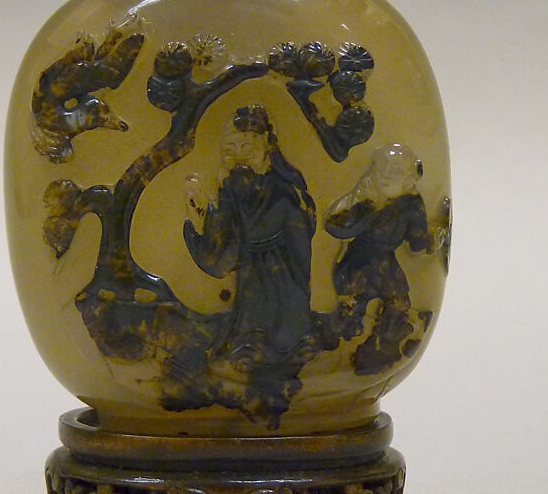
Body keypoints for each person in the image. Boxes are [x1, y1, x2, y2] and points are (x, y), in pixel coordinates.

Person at [183, 106, 316, 423]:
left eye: (247, 146)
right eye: (230, 149)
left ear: (267, 143)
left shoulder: (283, 190)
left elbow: (255, 233)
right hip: (253, 277)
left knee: (275, 336)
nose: (239, 156)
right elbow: (226, 247)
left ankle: (272, 392)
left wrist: (215, 209)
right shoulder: (235, 186)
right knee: (249, 333)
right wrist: (202, 214)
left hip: (282, 278)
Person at [325, 144, 435, 373]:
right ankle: (334, 339)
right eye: (381, 168)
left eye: (395, 171)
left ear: (408, 180)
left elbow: (417, 241)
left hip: (386, 264)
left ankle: (380, 349)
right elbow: (335, 225)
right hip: (359, 261)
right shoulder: (365, 199)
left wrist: (434, 239)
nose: (385, 175)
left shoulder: (411, 204)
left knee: (398, 303)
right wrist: (364, 202)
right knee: (352, 304)